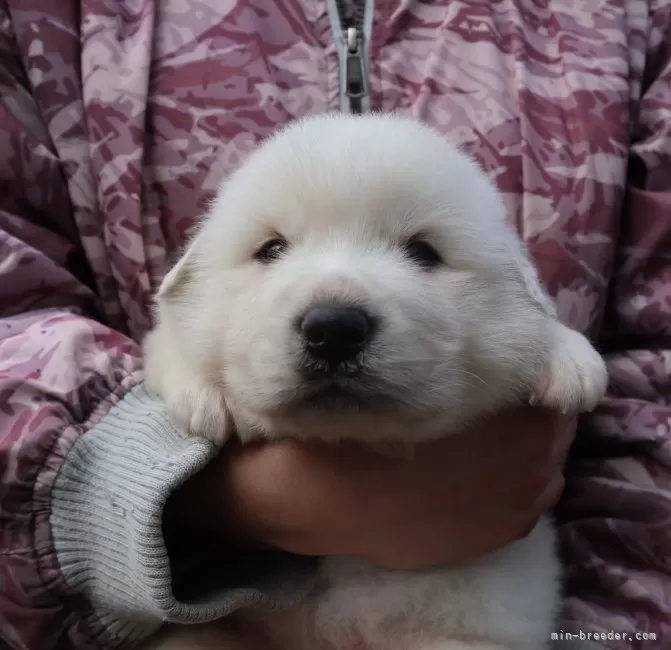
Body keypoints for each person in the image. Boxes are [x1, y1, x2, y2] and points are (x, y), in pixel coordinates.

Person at [0, 1, 669, 648]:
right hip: (211, 602)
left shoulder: (633, 18)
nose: (332, 316)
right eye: (270, 249)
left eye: (421, 251)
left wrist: (549, 343)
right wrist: (190, 491)